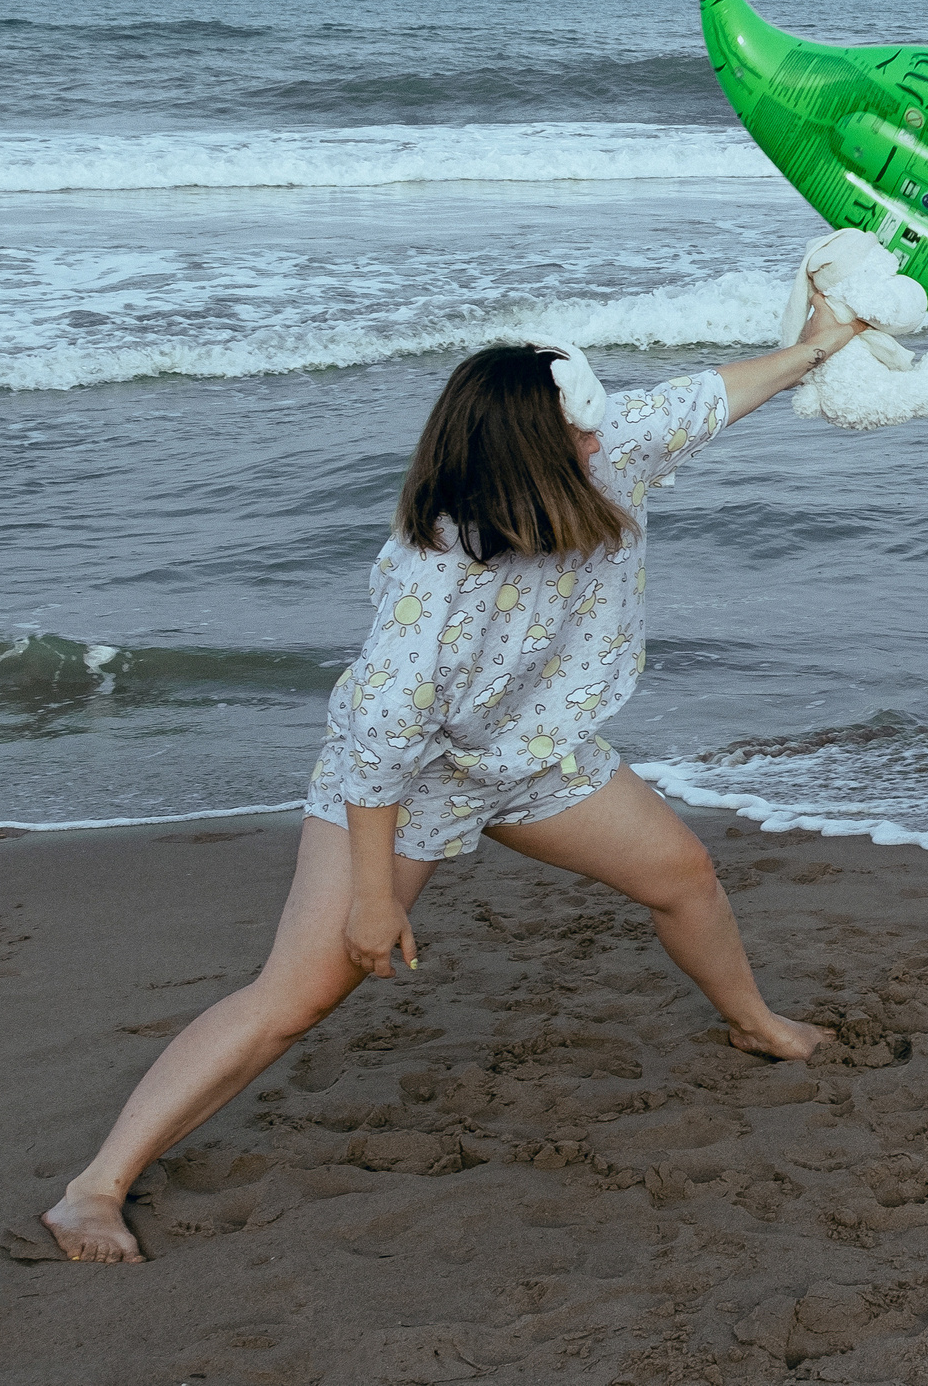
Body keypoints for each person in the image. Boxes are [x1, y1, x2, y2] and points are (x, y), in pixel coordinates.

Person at [44, 312, 868, 1263]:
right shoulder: (432, 577)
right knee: (301, 995)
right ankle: (93, 1189)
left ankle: (755, 1025)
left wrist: (818, 341)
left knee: (683, 872)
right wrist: (369, 901)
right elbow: (378, 747)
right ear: (525, 456)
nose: (608, 439)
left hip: (539, 754)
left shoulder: (603, 451)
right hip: (410, 784)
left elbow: (708, 397)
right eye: (584, 431)